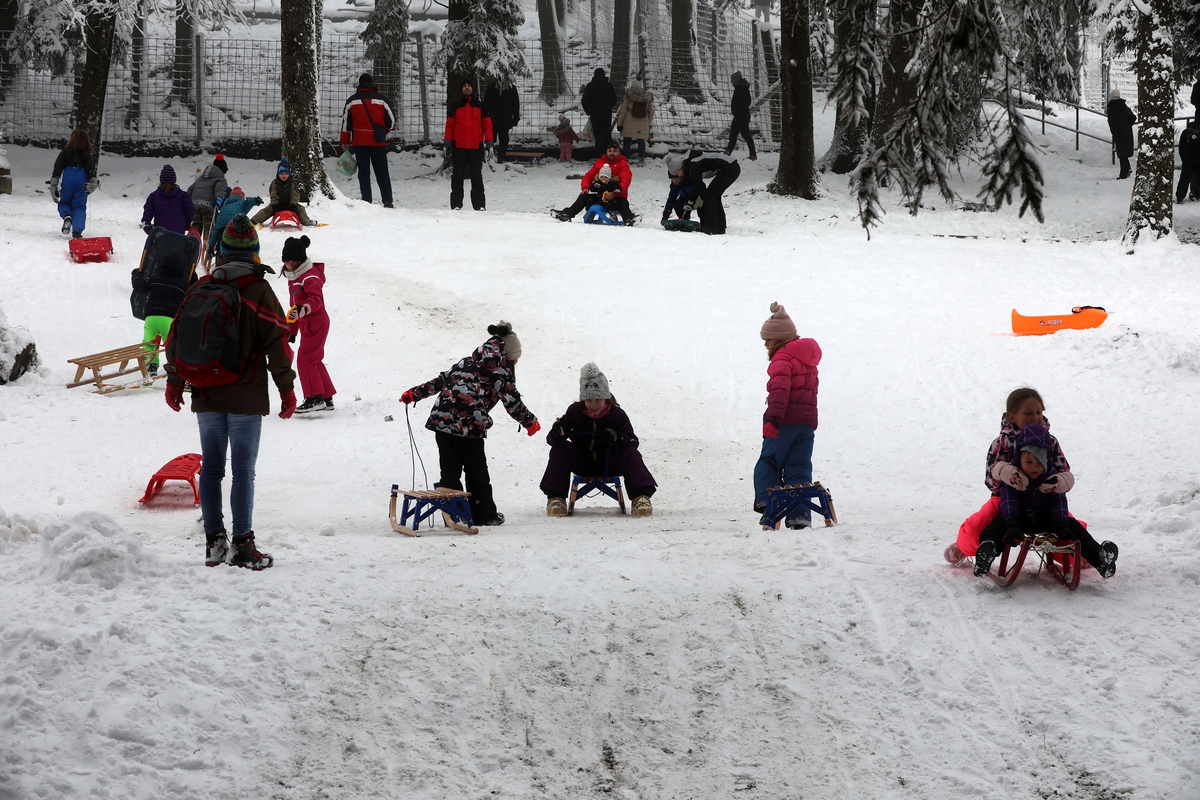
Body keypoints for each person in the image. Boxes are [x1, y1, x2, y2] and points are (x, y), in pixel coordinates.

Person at [163, 214, 297, 570]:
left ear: (221, 252)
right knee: (242, 471)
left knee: (210, 471)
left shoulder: (202, 286)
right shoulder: (259, 290)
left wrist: (175, 380)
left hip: (205, 392)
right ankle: (242, 544)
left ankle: (213, 543)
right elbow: (278, 343)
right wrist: (287, 388)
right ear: (253, 251)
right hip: (245, 395)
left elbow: (176, 339)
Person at [400, 322, 540, 527]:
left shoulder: (465, 362)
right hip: (469, 425)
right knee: (476, 471)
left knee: (450, 469)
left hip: (442, 421)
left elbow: (440, 381)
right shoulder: (501, 372)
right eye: (515, 359)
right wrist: (530, 423)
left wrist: (414, 393)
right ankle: (484, 515)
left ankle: (453, 514)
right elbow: (513, 403)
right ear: (508, 355)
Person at [973, 424, 1118, 579]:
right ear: (1018, 457)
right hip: (1016, 519)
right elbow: (1009, 502)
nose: (1035, 467)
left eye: (1040, 462)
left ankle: (1101, 561)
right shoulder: (1014, 479)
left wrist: (1061, 524)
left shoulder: (1051, 479)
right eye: (1029, 462)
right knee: (996, 526)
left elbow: (1059, 502)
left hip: (1047, 519)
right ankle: (986, 553)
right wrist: (1012, 524)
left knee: (1075, 528)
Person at [952, 387, 1074, 561]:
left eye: (1038, 412)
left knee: (1068, 525)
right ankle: (965, 548)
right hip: (1006, 500)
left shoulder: (1050, 441)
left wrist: (1058, 482)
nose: (1035, 418)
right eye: (1028, 413)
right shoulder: (1002, 442)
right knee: (975, 529)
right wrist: (1003, 473)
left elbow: (1063, 470)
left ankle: (1080, 556)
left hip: (1043, 499)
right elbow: (990, 481)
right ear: (1012, 417)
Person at [541, 363, 656, 518]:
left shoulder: (617, 415)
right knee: (560, 448)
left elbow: (633, 442)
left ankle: (641, 498)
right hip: (583, 462)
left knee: (631, 453)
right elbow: (553, 440)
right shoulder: (575, 412)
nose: (593, 405)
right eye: (589, 400)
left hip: (610, 462)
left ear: (606, 398)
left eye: (598, 399)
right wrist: (556, 432)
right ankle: (556, 498)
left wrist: (618, 437)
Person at [753, 302, 821, 529]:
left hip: (784, 422)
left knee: (768, 462)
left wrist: (773, 420)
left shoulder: (782, 359)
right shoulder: (807, 359)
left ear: (780, 339)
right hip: (806, 422)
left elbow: (779, 392)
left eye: (768, 340)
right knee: (798, 467)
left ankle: (769, 505)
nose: (765, 344)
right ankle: (799, 516)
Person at [281, 235, 335, 414]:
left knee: (306, 360)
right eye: (288, 262)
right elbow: (294, 308)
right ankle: (326, 397)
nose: (291, 265)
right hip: (308, 323)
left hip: (315, 322)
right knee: (314, 359)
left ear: (301, 261)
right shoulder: (294, 278)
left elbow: (316, 300)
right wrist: (292, 330)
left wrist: (305, 309)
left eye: (295, 262)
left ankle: (314, 398)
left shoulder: (309, 277)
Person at [130, 250, 190, 378]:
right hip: (169, 319)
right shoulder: (183, 283)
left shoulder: (157, 278)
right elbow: (190, 294)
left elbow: (140, 285)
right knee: (171, 346)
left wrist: (136, 274)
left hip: (151, 317)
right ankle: (174, 369)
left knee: (150, 343)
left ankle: (151, 366)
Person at [340, 73, 395, 208]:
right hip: (378, 141)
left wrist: (345, 140)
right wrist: (384, 131)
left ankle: (366, 200)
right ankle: (387, 200)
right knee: (382, 171)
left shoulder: (352, 101)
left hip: (360, 142)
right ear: (372, 82)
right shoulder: (382, 100)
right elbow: (391, 121)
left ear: (359, 84)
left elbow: (346, 123)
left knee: (364, 172)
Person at [554, 141, 634, 223]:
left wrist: (615, 194)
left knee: (624, 202)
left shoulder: (623, 164)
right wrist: (585, 187)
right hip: (600, 197)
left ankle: (629, 219)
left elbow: (625, 181)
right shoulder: (599, 163)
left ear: (619, 153)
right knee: (584, 196)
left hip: (616, 198)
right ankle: (567, 214)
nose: (612, 153)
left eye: (615, 151)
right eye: (610, 151)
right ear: (606, 152)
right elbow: (588, 176)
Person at [444, 80, 494, 211]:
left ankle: (479, 205)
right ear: (461, 90)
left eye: (469, 86)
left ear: (473, 89)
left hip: (475, 147)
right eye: (464, 86)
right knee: (457, 176)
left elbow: (487, 126)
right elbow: (449, 125)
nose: (467, 88)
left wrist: (489, 142)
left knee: (476, 176)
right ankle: (456, 204)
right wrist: (447, 142)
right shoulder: (455, 107)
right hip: (459, 146)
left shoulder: (481, 106)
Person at [673, 149, 741, 235]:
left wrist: (690, 202)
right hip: (733, 167)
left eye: (677, 173)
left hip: (729, 168)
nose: (679, 176)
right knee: (715, 195)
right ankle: (720, 227)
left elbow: (697, 185)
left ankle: (711, 227)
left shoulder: (693, 163)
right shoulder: (693, 162)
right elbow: (696, 185)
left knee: (710, 195)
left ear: (680, 169)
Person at [50, 128, 97, 239]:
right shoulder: (87, 155)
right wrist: (93, 182)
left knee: (64, 202)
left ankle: (67, 215)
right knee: (79, 207)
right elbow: (91, 170)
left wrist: (54, 184)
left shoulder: (65, 152)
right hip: (82, 180)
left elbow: (58, 167)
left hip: (68, 178)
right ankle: (77, 231)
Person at [250, 159, 314, 226]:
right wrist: (274, 204)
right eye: (281, 173)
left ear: (289, 174)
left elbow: (295, 194)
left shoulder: (292, 183)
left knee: (301, 209)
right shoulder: (275, 183)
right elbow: (273, 194)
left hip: (290, 205)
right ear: (278, 174)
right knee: (266, 211)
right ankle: (253, 221)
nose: (284, 176)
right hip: (278, 205)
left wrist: (293, 204)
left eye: (286, 173)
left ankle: (307, 222)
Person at [206, 187, 263, 259]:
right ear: (242, 197)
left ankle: (219, 261)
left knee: (221, 246)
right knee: (236, 241)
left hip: (221, 227)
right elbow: (248, 202)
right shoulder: (242, 203)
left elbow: (216, 230)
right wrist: (256, 200)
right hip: (235, 226)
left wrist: (211, 246)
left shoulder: (224, 207)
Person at [142, 164, 195, 235]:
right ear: (174, 180)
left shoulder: (153, 196)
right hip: (178, 234)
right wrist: (187, 222)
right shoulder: (183, 195)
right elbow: (190, 210)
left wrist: (146, 224)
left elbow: (148, 211)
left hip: (160, 234)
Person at [187, 153, 229, 237]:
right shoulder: (221, 179)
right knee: (209, 231)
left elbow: (191, 189)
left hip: (195, 205)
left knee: (195, 230)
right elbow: (219, 190)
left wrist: (187, 200)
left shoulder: (201, 178)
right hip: (208, 206)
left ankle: (192, 247)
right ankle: (208, 248)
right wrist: (219, 199)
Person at [615, 78, 654, 167]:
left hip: (628, 123)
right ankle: (641, 158)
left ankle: (627, 158)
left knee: (627, 140)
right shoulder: (647, 97)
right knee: (641, 140)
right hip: (642, 122)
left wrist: (619, 124)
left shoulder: (628, 96)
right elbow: (651, 112)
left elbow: (623, 111)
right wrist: (647, 122)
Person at [581, 68, 618, 153]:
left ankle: (600, 153)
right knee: (606, 133)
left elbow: (584, 100)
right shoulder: (609, 86)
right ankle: (609, 153)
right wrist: (608, 107)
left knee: (598, 134)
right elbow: (614, 100)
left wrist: (588, 111)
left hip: (595, 114)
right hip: (606, 113)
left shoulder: (590, 86)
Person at [484, 82, 521, 163]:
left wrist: (486, 116)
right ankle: (501, 158)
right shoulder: (511, 88)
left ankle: (490, 158)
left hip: (493, 118)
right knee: (503, 139)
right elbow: (516, 104)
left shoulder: (491, 87)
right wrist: (516, 118)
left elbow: (486, 103)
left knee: (491, 138)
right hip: (505, 118)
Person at [1107, 88, 1137, 180]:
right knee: (1124, 153)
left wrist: (1113, 132)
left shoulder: (1111, 107)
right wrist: (1128, 125)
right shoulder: (1124, 106)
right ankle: (1126, 170)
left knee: (1121, 153)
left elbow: (1111, 121)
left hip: (1119, 132)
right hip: (1127, 131)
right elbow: (1133, 117)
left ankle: (1124, 172)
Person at [726, 71, 757, 161]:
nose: (731, 82)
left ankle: (753, 155)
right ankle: (727, 153)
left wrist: (738, 111)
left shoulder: (741, 89)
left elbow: (744, 102)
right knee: (733, 136)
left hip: (741, 117)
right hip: (739, 116)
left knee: (746, 135)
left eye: (732, 80)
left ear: (736, 80)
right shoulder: (741, 88)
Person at [661, 153, 700, 223]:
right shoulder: (674, 187)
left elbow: (700, 186)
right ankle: (683, 219)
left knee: (702, 207)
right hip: (686, 198)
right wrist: (665, 215)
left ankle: (704, 222)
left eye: (677, 178)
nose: (675, 181)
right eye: (673, 179)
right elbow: (671, 200)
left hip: (697, 197)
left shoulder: (689, 179)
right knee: (677, 204)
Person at [1177, 118, 1200, 203]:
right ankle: (1197, 193)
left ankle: (1180, 196)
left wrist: (1184, 159)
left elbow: (1181, 148)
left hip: (1188, 158)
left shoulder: (1186, 132)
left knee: (1184, 178)